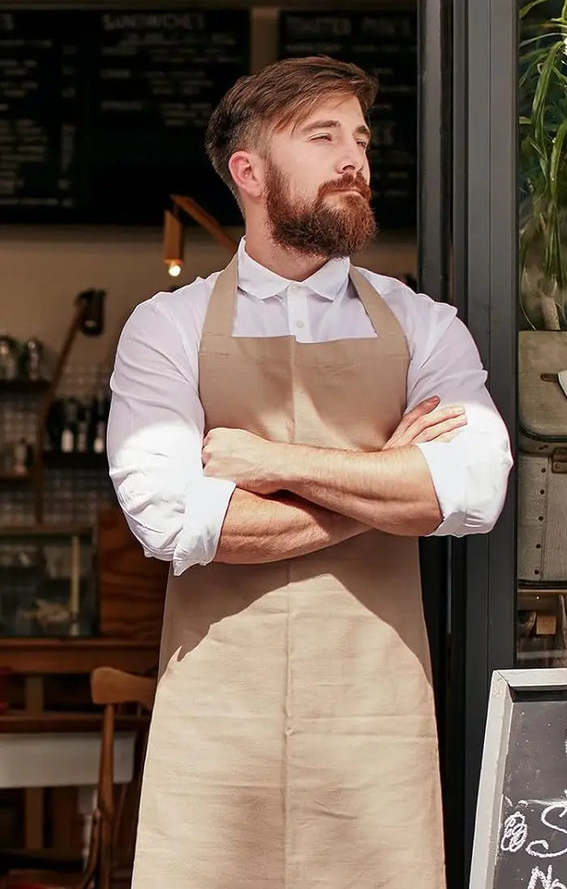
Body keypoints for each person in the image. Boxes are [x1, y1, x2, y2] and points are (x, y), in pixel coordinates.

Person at [106, 55, 512, 889]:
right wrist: (387, 477)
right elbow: (178, 521)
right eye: (322, 137)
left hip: (376, 725)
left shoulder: (424, 325)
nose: (353, 159)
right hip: (217, 725)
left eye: (359, 138)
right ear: (249, 173)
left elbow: (472, 492)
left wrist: (272, 463)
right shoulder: (166, 328)